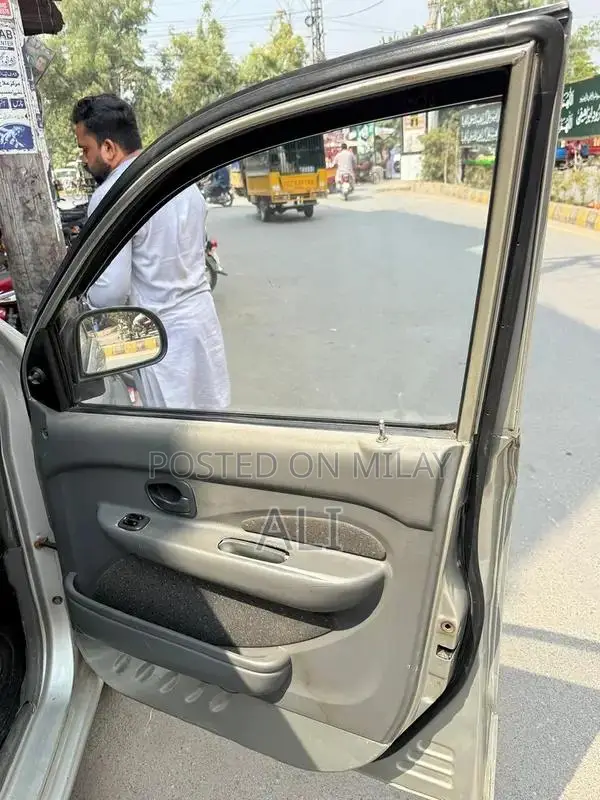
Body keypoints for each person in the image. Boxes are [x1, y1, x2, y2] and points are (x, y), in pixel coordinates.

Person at [72, 93, 230, 412]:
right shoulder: (181, 183)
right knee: (213, 417)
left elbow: (109, 294)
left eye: (85, 149)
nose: (85, 160)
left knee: (173, 435)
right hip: (202, 322)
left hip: (161, 337)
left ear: (108, 148)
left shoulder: (112, 194)